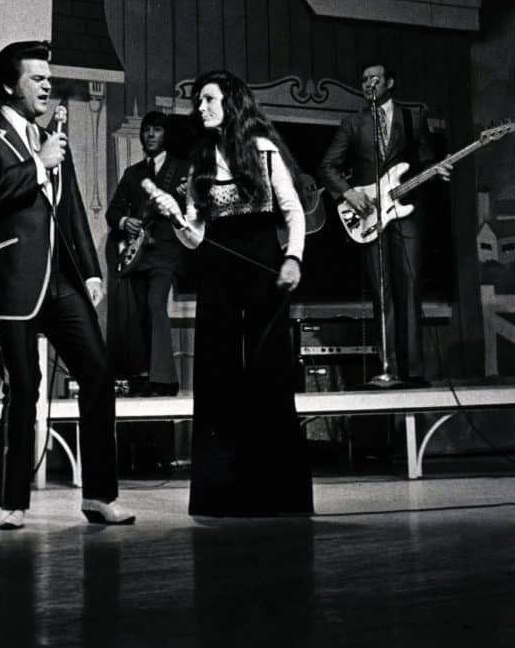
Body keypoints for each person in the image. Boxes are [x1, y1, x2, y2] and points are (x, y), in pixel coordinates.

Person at [0, 41, 133, 530]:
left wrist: (92, 270)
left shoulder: (53, 138)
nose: (48, 85)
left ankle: (100, 496)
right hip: (10, 281)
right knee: (25, 388)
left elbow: (72, 207)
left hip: (61, 280)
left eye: (49, 77)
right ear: (10, 85)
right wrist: (38, 164)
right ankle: (13, 502)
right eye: (37, 78)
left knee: (97, 372)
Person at [150, 70, 311, 517]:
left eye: (208, 99)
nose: (199, 108)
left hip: (265, 269)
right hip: (217, 274)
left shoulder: (263, 152)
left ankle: (277, 494)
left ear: (231, 104)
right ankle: (221, 496)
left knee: (269, 372)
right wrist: (177, 219)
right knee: (218, 376)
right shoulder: (197, 161)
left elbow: (293, 212)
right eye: (199, 100)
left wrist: (293, 258)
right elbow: (195, 238)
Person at [317, 62, 450, 386]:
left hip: (406, 213)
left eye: (374, 78)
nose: (367, 84)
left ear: (390, 81)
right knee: (382, 291)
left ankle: (414, 371)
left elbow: (426, 160)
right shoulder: (353, 123)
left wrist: (437, 171)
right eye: (363, 79)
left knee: (411, 287)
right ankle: (387, 367)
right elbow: (327, 166)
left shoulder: (412, 118)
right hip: (368, 215)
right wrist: (349, 194)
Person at [106, 111, 189, 396]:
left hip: (167, 252)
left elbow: (194, 211)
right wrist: (123, 222)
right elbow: (113, 211)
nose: (150, 135)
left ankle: (165, 380)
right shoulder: (133, 173)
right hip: (139, 255)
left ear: (166, 135)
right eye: (146, 130)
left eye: (156, 130)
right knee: (141, 313)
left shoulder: (182, 170)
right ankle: (143, 374)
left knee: (155, 304)